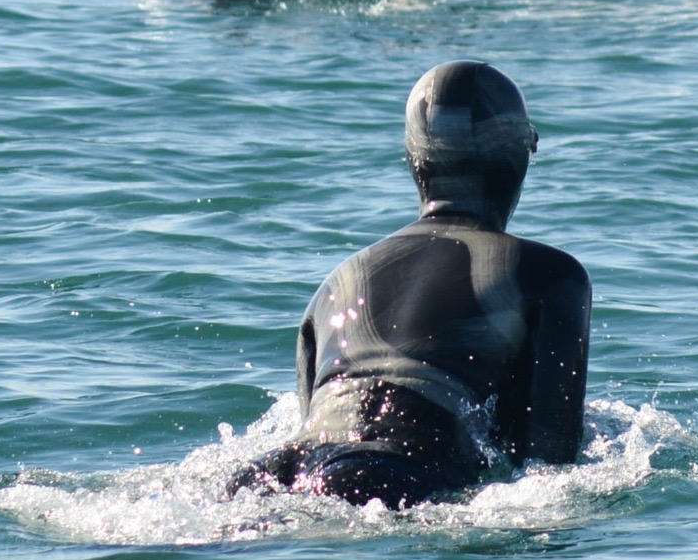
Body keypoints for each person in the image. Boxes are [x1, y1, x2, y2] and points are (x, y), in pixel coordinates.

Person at [227, 61, 591, 509]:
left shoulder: (331, 289)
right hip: (402, 469)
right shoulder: (549, 275)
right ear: (517, 158)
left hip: (278, 468)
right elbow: (550, 465)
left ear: (414, 162)